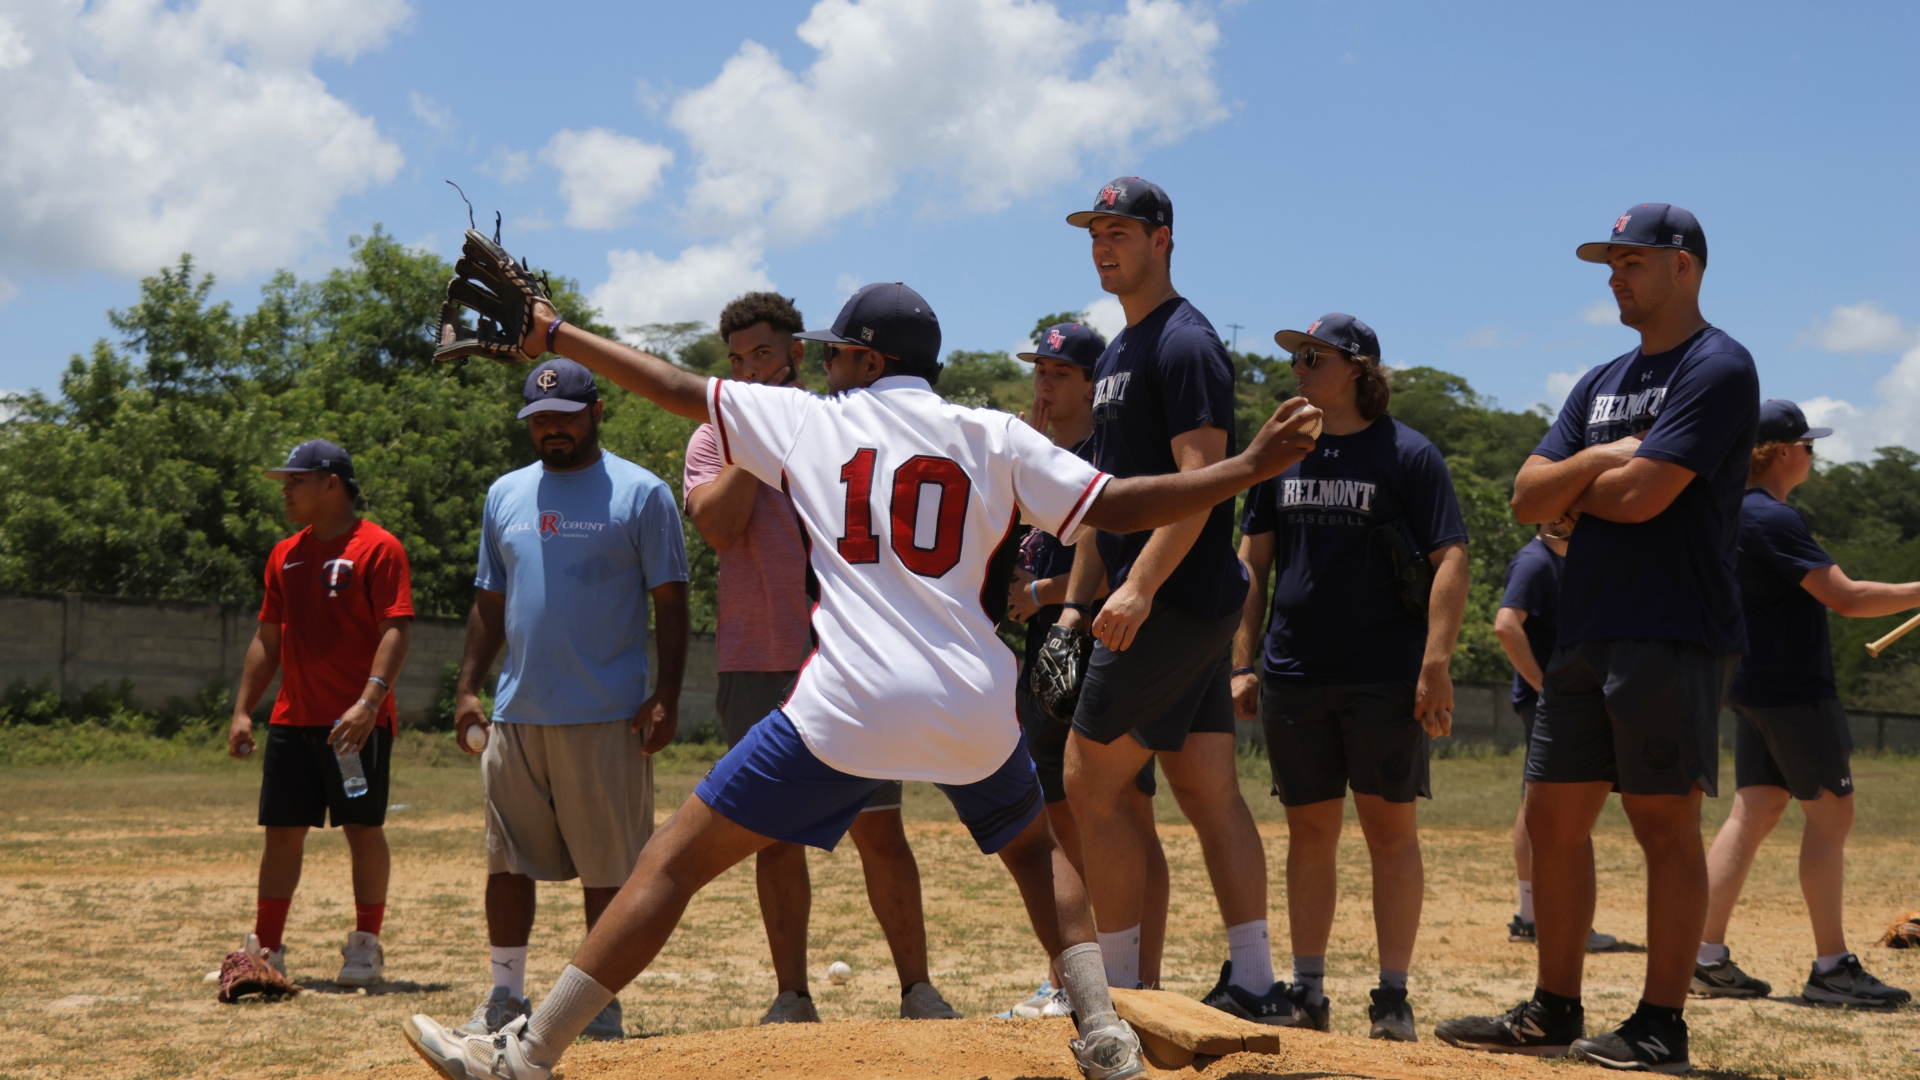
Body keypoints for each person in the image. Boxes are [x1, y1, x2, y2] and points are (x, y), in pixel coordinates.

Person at [400, 273, 1323, 1080]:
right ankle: (1106, 1041)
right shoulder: (989, 430)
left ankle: (525, 1057)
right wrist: (1245, 467)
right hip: (971, 700)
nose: (828, 365)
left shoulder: (812, 420)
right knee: (1040, 856)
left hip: (847, 704)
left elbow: (676, 386)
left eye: (841, 352)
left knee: (674, 863)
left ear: (871, 361)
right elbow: (1120, 501)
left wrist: (557, 335)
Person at [1436, 203, 1759, 1074]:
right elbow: (1527, 496)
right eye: (1610, 264)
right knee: (1551, 820)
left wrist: (1584, 482)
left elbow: (1646, 497)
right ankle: (1553, 1008)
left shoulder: (1719, 365)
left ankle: (1660, 1024)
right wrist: (1596, 463)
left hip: (1670, 626)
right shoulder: (1602, 378)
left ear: (1685, 265)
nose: (1616, 277)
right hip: (1585, 626)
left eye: (1634, 262)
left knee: (1663, 824)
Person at [684, 291, 957, 1023]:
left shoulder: (840, 421)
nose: (748, 370)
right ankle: (791, 996)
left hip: (847, 656)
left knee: (880, 828)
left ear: (798, 354)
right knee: (771, 834)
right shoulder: (715, 437)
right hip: (755, 659)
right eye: (736, 360)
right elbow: (718, 525)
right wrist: (758, 440)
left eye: (763, 355)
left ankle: (918, 990)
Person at [1053, 178, 1281, 1021]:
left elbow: (1201, 486)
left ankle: (1113, 993)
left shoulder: (1185, 344)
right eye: (1096, 233)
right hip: (1171, 600)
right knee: (1206, 787)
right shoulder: (1118, 350)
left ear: (1165, 239)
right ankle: (1255, 982)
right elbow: (1099, 499)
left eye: (1121, 231)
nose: (1104, 245)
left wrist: (1138, 586)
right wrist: (1077, 607)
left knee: (1091, 780)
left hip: (1172, 599)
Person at [1232, 314, 1469, 1042]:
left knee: (1390, 832)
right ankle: (1308, 990)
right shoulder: (1282, 454)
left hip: (1383, 676)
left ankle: (1392, 996)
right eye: (1297, 356)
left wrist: (1435, 662)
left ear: (1359, 369)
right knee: (1310, 832)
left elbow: (1450, 559)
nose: (1299, 367)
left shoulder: (1409, 454)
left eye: (1314, 356)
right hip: (1295, 672)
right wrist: (1242, 661)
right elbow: (1252, 564)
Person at [449, 358, 689, 1042]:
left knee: (609, 870)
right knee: (506, 861)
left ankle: (598, 1005)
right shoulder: (505, 495)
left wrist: (665, 693)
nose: (552, 430)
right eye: (539, 420)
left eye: (565, 417)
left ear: (596, 413)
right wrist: (469, 688)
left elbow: (670, 601)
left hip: (606, 714)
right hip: (517, 712)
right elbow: (489, 603)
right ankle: (503, 996)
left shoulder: (642, 494)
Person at [1693, 399, 1914, 1007]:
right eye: (1808, 445)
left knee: (1756, 809)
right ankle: (1832, 968)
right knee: (1832, 815)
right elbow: (1844, 598)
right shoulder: (1770, 518)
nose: (1813, 454)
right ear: (1782, 453)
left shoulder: (1730, 513)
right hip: (1792, 688)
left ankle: (1703, 956)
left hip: (1749, 684)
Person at [1003, 321, 1170, 1016]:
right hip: (1046, 649)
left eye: (1060, 372)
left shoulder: (1110, 455)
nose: (1045, 382)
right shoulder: (1032, 456)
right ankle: (1070, 973)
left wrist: (1042, 594)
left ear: (1092, 383)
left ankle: (1140, 980)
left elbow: (1124, 566)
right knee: (1058, 818)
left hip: (1105, 640)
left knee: (1125, 813)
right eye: (1039, 368)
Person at [225, 439, 414, 989]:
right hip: (293, 718)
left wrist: (368, 702)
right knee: (281, 832)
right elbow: (267, 639)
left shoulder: (378, 548)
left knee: (362, 828)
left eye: (296, 480)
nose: (285, 490)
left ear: (331, 483)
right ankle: (267, 951)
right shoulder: (286, 553)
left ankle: (365, 946)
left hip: (355, 725)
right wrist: (244, 711)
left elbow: (397, 629)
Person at [1495, 526, 1618, 954]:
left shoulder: (1563, 561)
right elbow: (1506, 625)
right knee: (1557, 806)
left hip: (1557, 701)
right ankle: (1541, 916)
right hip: (1549, 701)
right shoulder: (1535, 561)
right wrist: (1544, 686)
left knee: (1537, 801)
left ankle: (1532, 915)